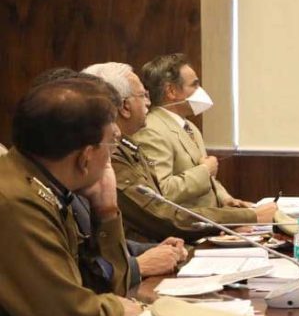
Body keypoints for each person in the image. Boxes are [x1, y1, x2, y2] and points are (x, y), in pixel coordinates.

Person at [0, 78, 143, 316]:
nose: (111, 155)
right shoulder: (17, 202)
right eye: (111, 144)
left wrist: (106, 213)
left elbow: (107, 287)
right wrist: (117, 309)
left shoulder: (45, 186)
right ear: (85, 157)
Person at [83, 62, 276, 242]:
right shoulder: (117, 152)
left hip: (170, 242)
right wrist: (246, 217)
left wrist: (226, 202)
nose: (148, 102)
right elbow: (161, 212)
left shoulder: (129, 145)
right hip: (166, 242)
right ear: (125, 107)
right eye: (142, 95)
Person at [33, 67, 187, 286]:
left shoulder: (66, 181)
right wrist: (136, 266)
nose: (117, 132)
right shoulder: (28, 196)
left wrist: (155, 251)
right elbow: (68, 288)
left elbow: (88, 252)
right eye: (109, 122)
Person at [132, 53, 251, 209]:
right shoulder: (151, 130)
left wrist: (225, 199)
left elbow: (208, 179)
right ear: (171, 91)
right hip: (185, 222)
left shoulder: (189, 126)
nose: (200, 90)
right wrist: (204, 170)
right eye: (194, 85)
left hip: (210, 217)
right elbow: (161, 191)